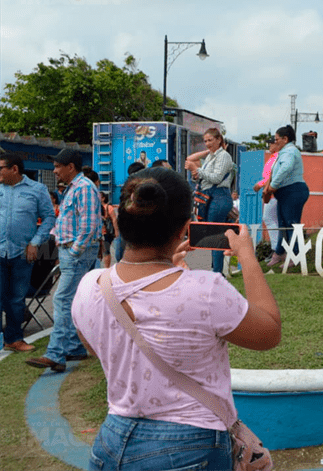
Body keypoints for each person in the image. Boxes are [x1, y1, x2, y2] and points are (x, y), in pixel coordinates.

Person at [71, 167, 281, 470]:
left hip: (112, 441)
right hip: (189, 447)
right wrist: (246, 255)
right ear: (185, 227)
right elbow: (269, 332)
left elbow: (99, 348)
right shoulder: (204, 289)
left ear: (116, 218)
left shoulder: (90, 285)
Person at [26, 149, 102, 372]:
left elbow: (88, 226)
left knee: (62, 300)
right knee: (71, 301)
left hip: (75, 253)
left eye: (58, 166)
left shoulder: (84, 188)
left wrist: (75, 251)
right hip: (71, 251)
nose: (55, 171)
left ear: (71, 167)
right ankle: (73, 347)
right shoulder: (74, 188)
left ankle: (55, 354)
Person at [0, 152, 56, 353]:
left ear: (14, 169)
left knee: (16, 299)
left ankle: (14, 339)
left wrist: (35, 242)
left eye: (0, 168)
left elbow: (49, 217)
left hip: (23, 253)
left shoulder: (37, 189)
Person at [185, 128, 235, 273]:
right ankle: (217, 270)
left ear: (219, 139)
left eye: (210, 140)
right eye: (205, 141)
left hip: (219, 196)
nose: (207, 144)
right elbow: (190, 158)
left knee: (215, 235)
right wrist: (209, 151)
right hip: (211, 197)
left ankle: (217, 272)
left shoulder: (224, 156)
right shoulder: (211, 156)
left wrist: (197, 169)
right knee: (214, 234)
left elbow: (216, 178)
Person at [263, 125, 309, 267]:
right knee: (283, 225)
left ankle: (295, 255)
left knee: (291, 224)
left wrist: (273, 186)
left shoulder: (289, 151)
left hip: (292, 191)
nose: (275, 142)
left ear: (285, 139)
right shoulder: (285, 151)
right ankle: (280, 252)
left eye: (277, 139)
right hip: (286, 192)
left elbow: (285, 168)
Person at [254, 139, 281, 261]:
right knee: (272, 220)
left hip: (272, 192)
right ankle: (276, 248)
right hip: (269, 192)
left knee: (269, 218)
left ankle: (276, 248)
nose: (269, 145)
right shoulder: (273, 157)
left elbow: (272, 176)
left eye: (271, 143)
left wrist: (260, 184)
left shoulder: (277, 157)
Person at [101, 193, 119, 269]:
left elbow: (114, 220)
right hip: (100, 232)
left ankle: (106, 268)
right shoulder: (96, 207)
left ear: (103, 198)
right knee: (103, 251)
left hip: (106, 232)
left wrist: (116, 231)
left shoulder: (109, 207)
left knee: (106, 250)